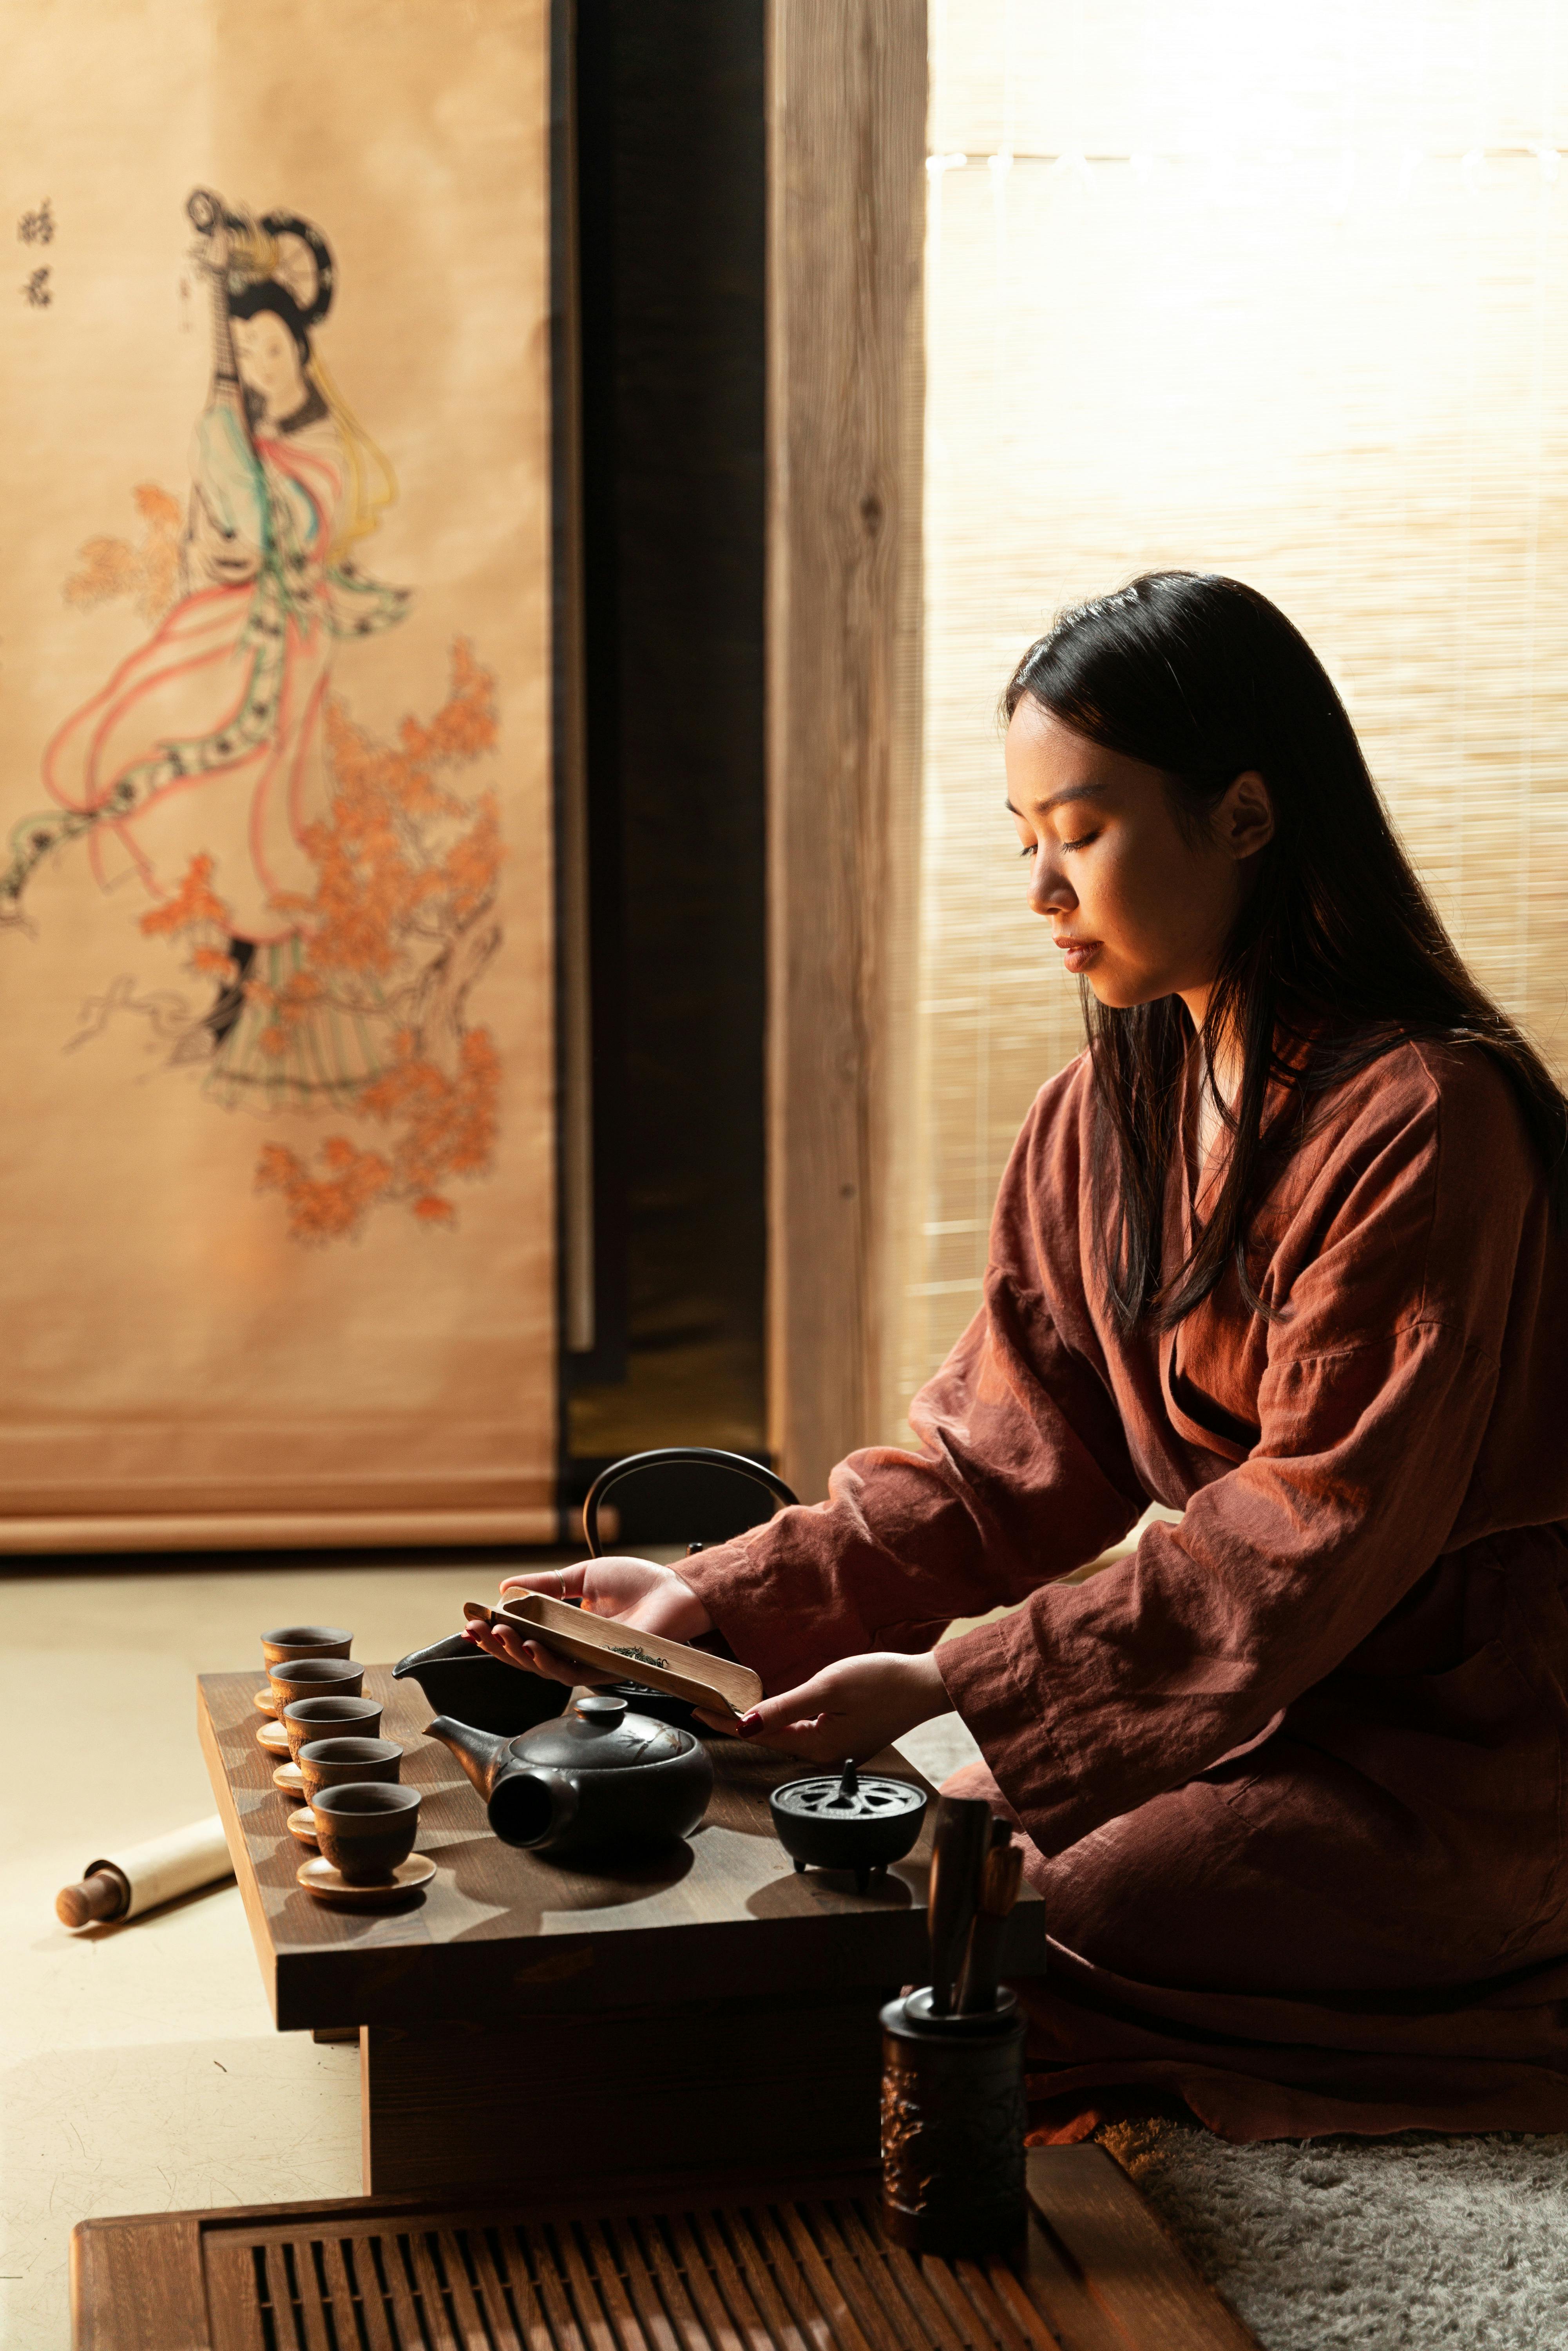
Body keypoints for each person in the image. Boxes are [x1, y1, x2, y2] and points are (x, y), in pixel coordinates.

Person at [471, 572, 1568, 2141]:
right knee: (929, 1856)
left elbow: (1294, 1559)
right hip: (1239, 1700)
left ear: (1245, 815)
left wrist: (944, 1679)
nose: (1043, 892)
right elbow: (992, 1463)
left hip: (1451, 1757)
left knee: (1023, 1919)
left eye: (1084, 833)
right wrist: (708, 1598)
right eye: (1026, 845)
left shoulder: (1422, 1122)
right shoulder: (1100, 1119)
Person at [4, 194, 407, 1102]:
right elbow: (223, 531)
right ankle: (235, 1013)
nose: (261, 363)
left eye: (273, 345)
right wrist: (216, 548)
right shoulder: (245, 431)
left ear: (302, 346)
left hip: (290, 651)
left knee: (278, 828)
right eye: (248, 348)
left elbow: (301, 526)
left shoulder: (327, 445)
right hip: (229, 628)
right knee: (212, 811)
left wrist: (255, 526)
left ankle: (292, 1028)